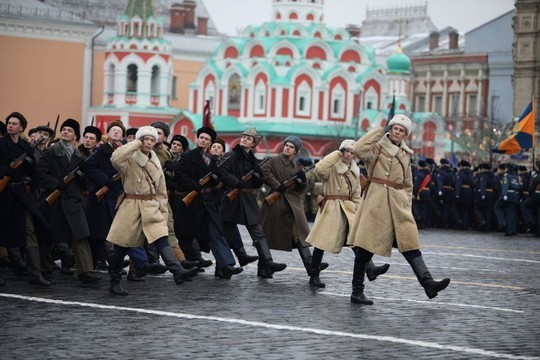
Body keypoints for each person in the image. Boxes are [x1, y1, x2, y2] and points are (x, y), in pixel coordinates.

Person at [348, 115, 450, 305]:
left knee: (410, 244)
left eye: (401, 130)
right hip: (376, 203)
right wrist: (380, 131)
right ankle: (357, 291)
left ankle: (428, 283)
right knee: (364, 249)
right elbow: (358, 149)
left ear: (405, 135)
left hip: (398, 205)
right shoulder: (376, 147)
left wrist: (406, 205)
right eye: (395, 128)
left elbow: (408, 183)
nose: (397, 132)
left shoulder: (405, 154)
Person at [106, 126, 198, 295]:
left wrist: (163, 211)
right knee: (121, 247)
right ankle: (115, 281)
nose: (148, 143)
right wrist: (135, 143)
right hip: (131, 206)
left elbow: (161, 190)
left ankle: (177, 271)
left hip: (150, 206)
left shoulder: (155, 160)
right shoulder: (130, 158)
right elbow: (115, 158)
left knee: (162, 238)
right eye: (145, 139)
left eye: (151, 140)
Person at [305, 139, 389, 288]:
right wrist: (337, 153)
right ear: (341, 152)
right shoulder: (332, 166)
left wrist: (358, 210)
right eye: (346, 151)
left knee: (357, 240)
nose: (349, 154)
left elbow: (357, 193)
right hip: (331, 207)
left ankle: (370, 269)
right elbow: (319, 169)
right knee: (321, 243)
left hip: (348, 208)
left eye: (352, 152)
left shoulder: (355, 170)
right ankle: (314, 275)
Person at [34, 118, 101, 284]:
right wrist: (57, 184)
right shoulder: (51, 151)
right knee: (48, 237)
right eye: (64, 129)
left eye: (69, 130)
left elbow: (85, 180)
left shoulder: (78, 155)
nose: (65, 132)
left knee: (80, 236)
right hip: (54, 200)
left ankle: (86, 271)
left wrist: (81, 178)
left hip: (72, 201)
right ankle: (45, 270)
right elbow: (39, 173)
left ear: (75, 136)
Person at [173, 127, 243, 279]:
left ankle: (227, 265)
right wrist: (194, 185)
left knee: (215, 233)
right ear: (197, 139)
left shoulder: (212, 160)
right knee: (186, 237)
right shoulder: (187, 156)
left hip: (208, 203)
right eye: (201, 138)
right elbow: (178, 174)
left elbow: (218, 176)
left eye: (206, 139)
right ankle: (183, 268)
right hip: (192, 202)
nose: (203, 140)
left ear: (210, 143)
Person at [219, 128, 287, 278]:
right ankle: (223, 267)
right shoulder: (230, 156)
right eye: (243, 136)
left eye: (249, 138)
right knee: (226, 235)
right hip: (232, 199)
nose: (244, 139)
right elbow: (222, 173)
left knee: (258, 232)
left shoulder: (253, 160)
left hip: (248, 200)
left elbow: (257, 184)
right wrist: (238, 182)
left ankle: (268, 262)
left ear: (253, 143)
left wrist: (257, 177)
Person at [261, 136, 329, 284]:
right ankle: (264, 266)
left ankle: (311, 267)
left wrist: (301, 181)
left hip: (293, 205)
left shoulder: (298, 166)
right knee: (266, 236)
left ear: (296, 151)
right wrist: (277, 185)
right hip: (276, 203)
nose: (287, 148)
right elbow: (264, 172)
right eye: (286, 145)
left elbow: (303, 188)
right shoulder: (273, 160)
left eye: (291, 147)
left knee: (301, 236)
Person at [0, 112, 55, 286]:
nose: (10, 125)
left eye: (14, 123)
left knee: (30, 231)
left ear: (21, 127)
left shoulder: (25, 147)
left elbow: (33, 170)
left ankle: (35, 273)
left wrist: (31, 175)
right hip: (3, 193)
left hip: (20, 194)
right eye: (9, 123)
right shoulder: (1, 144)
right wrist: (5, 171)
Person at [494, 163, 521, 236]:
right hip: (515, 195)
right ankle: (512, 230)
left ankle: (502, 222)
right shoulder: (515, 176)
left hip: (508, 194)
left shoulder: (506, 175)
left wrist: (504, 194)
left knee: (497, 207)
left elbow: (505, 185)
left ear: (508, 169)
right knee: (512, 213)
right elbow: (518, 187)